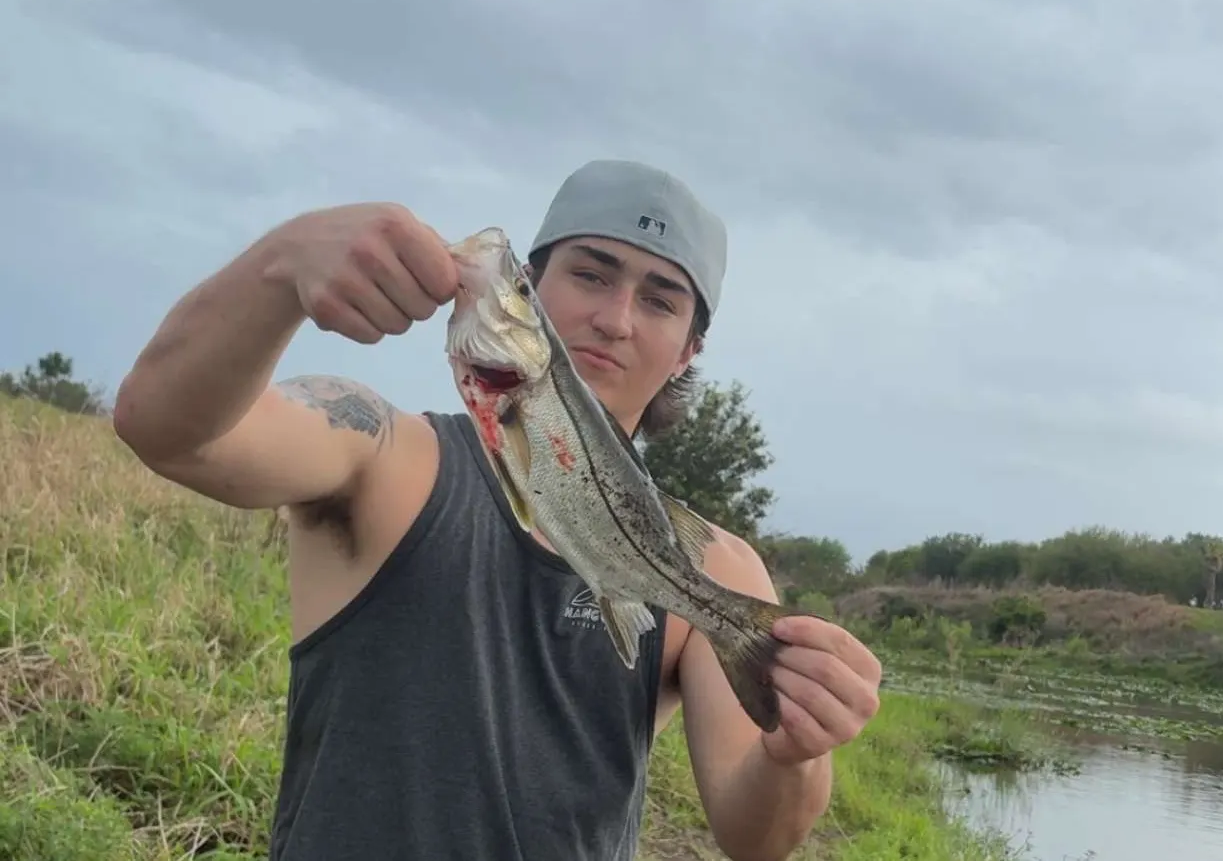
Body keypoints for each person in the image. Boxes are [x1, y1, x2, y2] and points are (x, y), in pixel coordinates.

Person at [113, 158, 882, 861]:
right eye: (590, 274)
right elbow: (169, 431)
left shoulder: (715, 568)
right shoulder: (382, 453)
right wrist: (281, 266)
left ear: (687, 349)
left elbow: (758, 840)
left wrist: (800, 751)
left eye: (659, 299)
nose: (615, 318)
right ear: (537, 292)